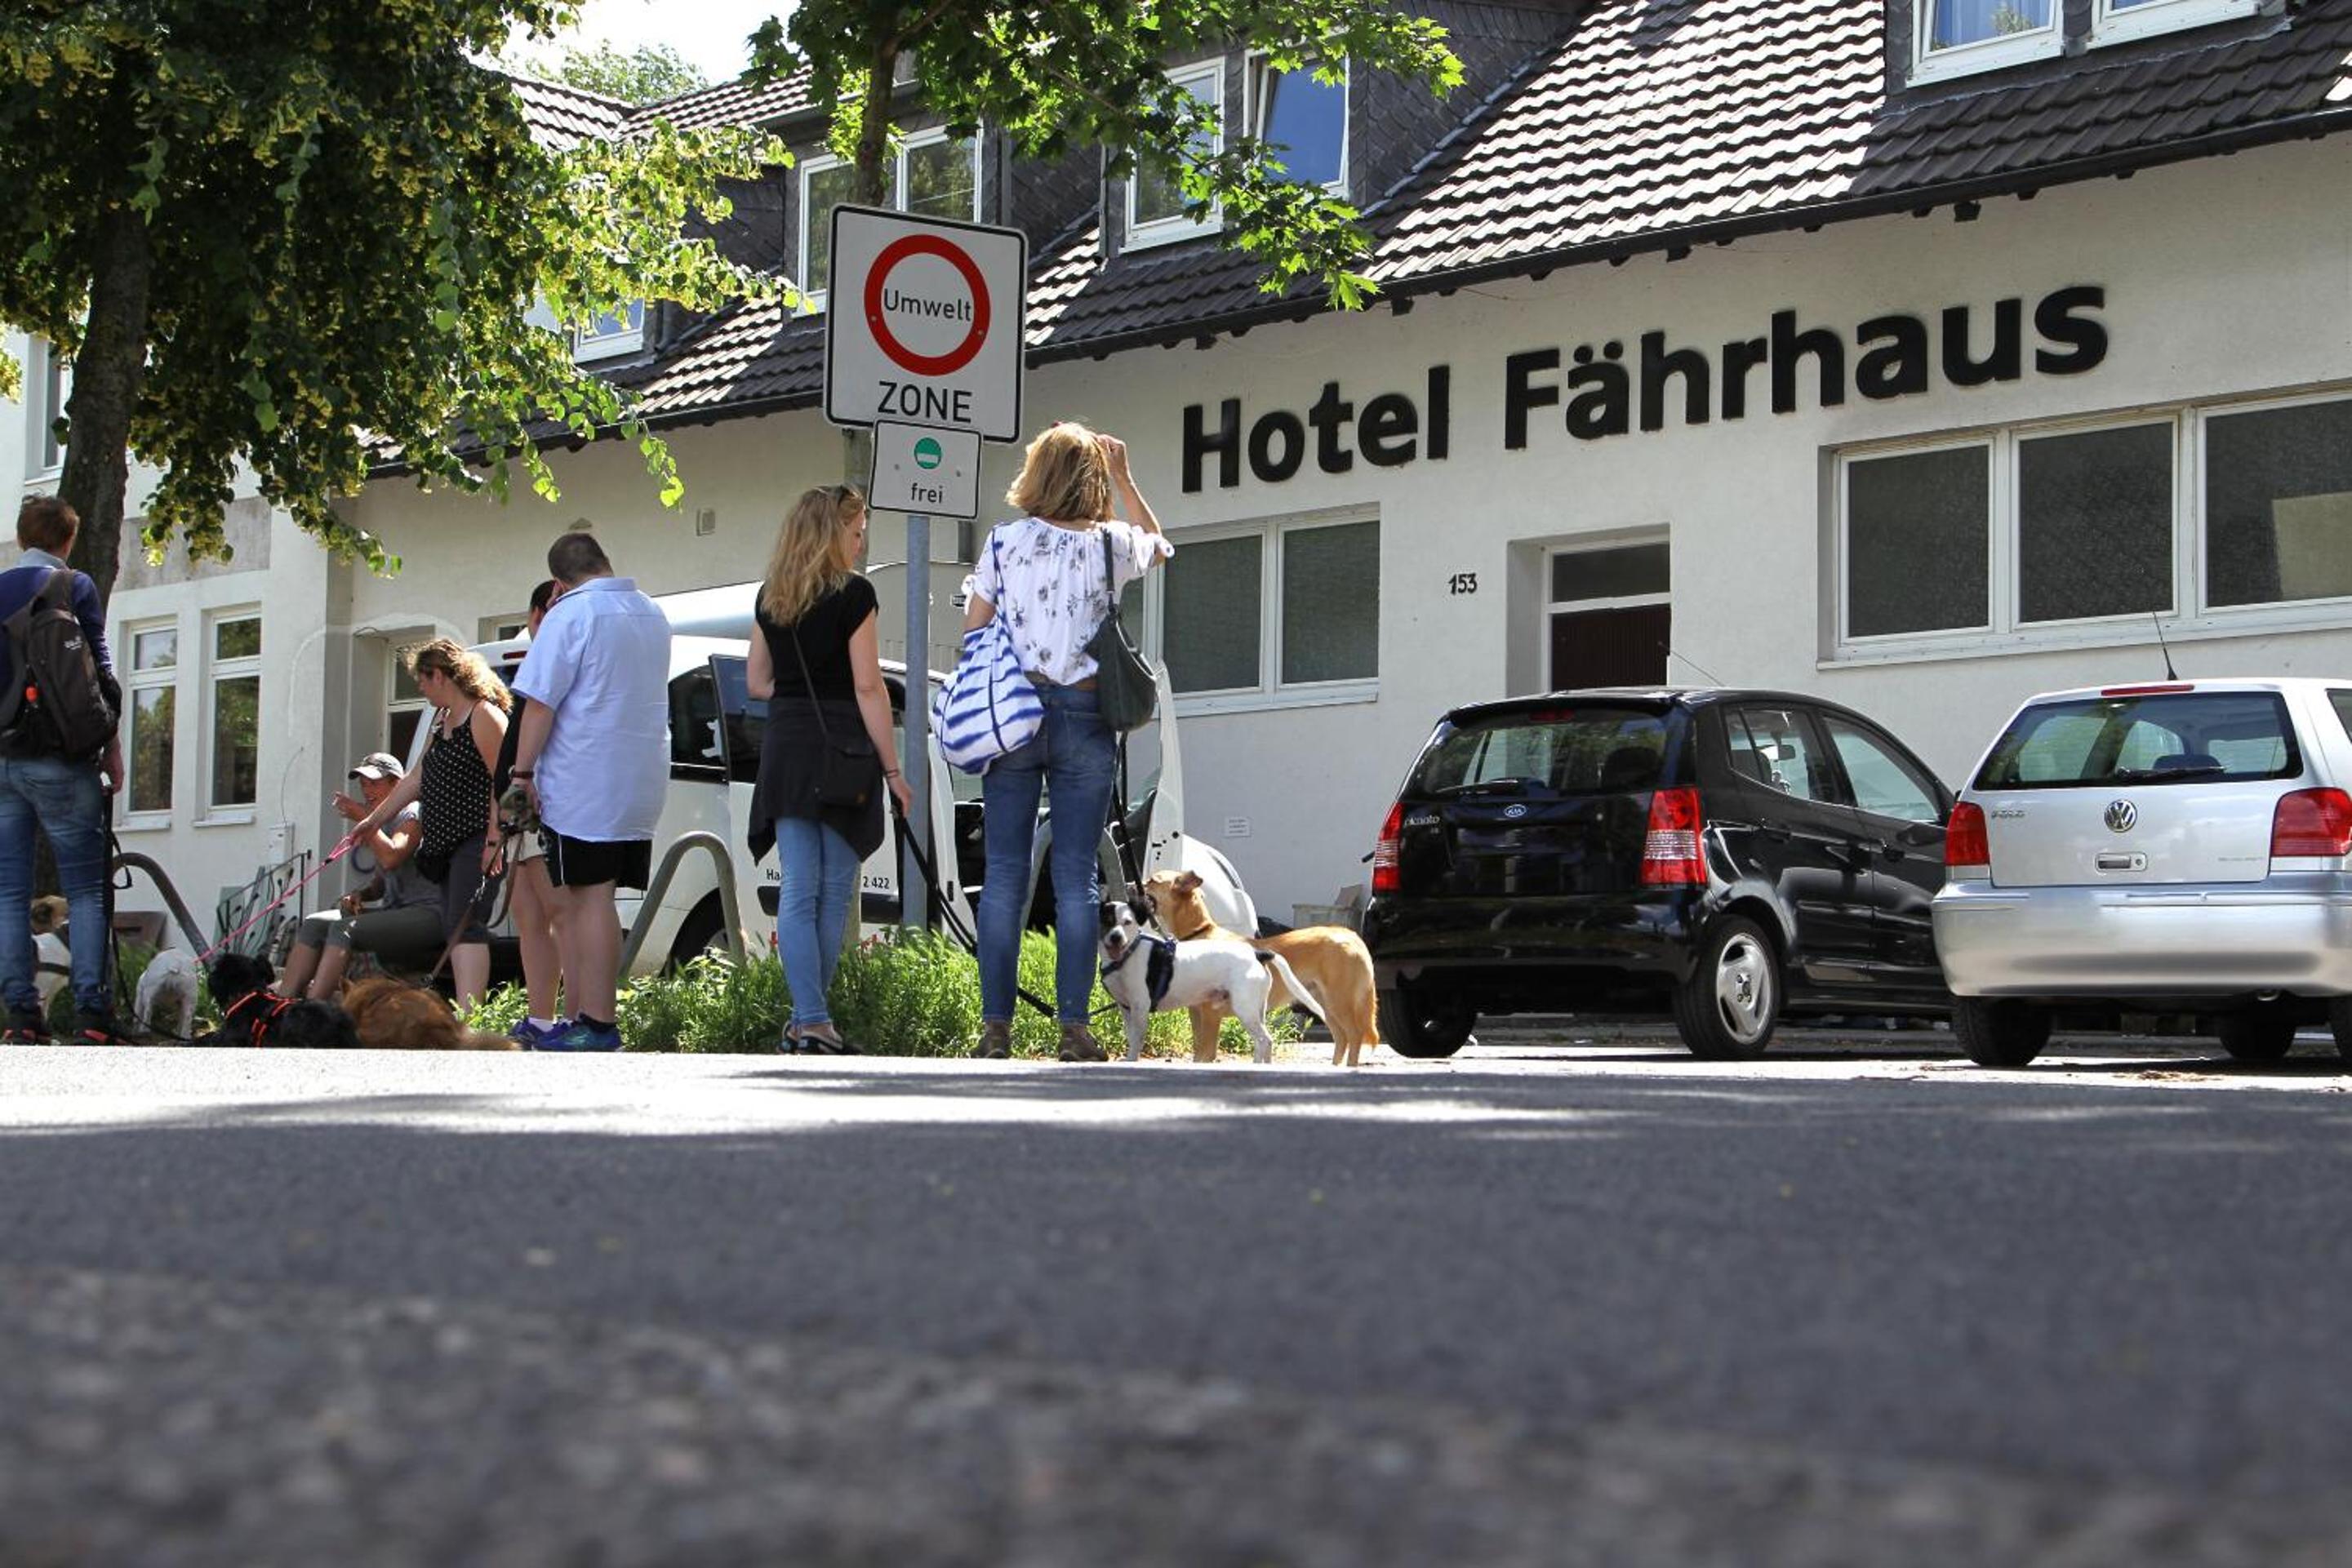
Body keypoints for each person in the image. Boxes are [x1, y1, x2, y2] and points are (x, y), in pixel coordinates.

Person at [963, 424, 1169, 1061]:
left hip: (1014, 715)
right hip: (1084, 712)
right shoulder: (1112, 543)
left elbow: (974, 625)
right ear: (1092, 479)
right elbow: (1161, 546)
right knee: (1076, 873)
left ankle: (995, 1028)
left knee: (1003, 875)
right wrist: (1125, 477)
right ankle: (1074, 1029)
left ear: (1036, 474)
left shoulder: (1003, 542)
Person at [746, 486, 911, 1055]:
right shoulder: (855, 593)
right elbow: (868, 686)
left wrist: (798, 691)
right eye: (856, 531)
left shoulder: (772, 594)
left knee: (797, 888)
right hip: (843, 749)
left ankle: (808, 1021)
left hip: (788, 747)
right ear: (832, 532)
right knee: (834, 892)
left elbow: (757, 683)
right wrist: (893, 771)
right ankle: (814, 1020)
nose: (860, 542)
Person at [506, 532, 670, 1053]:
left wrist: (521, 776)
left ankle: (597, 1023)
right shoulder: (651, 612)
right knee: (599, 897)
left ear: (558, 583)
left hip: (585, 779)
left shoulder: (570, 615)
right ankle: (586, 1017)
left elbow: (539, 704)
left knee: (589, 897)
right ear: (604, 561)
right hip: (639, 777)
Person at [0, 496, 127, 1045]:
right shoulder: (73, 585)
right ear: (68, 540)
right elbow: (97, 670)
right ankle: (92, 1013)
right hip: (60, 759)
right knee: (87, 890)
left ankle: (22, 1016)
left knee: (8, 892)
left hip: (3, 761)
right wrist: (111, 746)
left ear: (21, 536)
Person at [351, 641, 509, 1009]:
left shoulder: (483, 715)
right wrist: (372, 821)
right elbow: (414, 780)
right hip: (445, 844)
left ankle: (471, 1015)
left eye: (422, 680)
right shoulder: (442, 721)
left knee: (465, 923)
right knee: (455, 923)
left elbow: (501, 778)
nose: (420, 688)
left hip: (476, 837)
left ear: (439, 675)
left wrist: (494, 838)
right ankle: (466, 1011)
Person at [274, 753, 438, 1000]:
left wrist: (365, 818)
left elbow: (392, 856)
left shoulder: (412, 812)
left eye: (374, 783)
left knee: (344, 929)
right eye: (363, 784)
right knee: (314, 923)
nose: (367, 790)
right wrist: (361, 894)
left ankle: (314, 1007)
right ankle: (283, 1004)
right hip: (395, 911)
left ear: (397, 784)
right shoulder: (381, 823)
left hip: (427, 914)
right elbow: (382, 883)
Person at [492, 578, 568, 1047]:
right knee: (526, 912)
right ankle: (540, 1019)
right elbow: (510, 748)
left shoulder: (554, 659)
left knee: (556, 911)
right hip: (517, 795)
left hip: (541, 794)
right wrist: (499, 821)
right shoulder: (533, 663)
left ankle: (571, 1017)